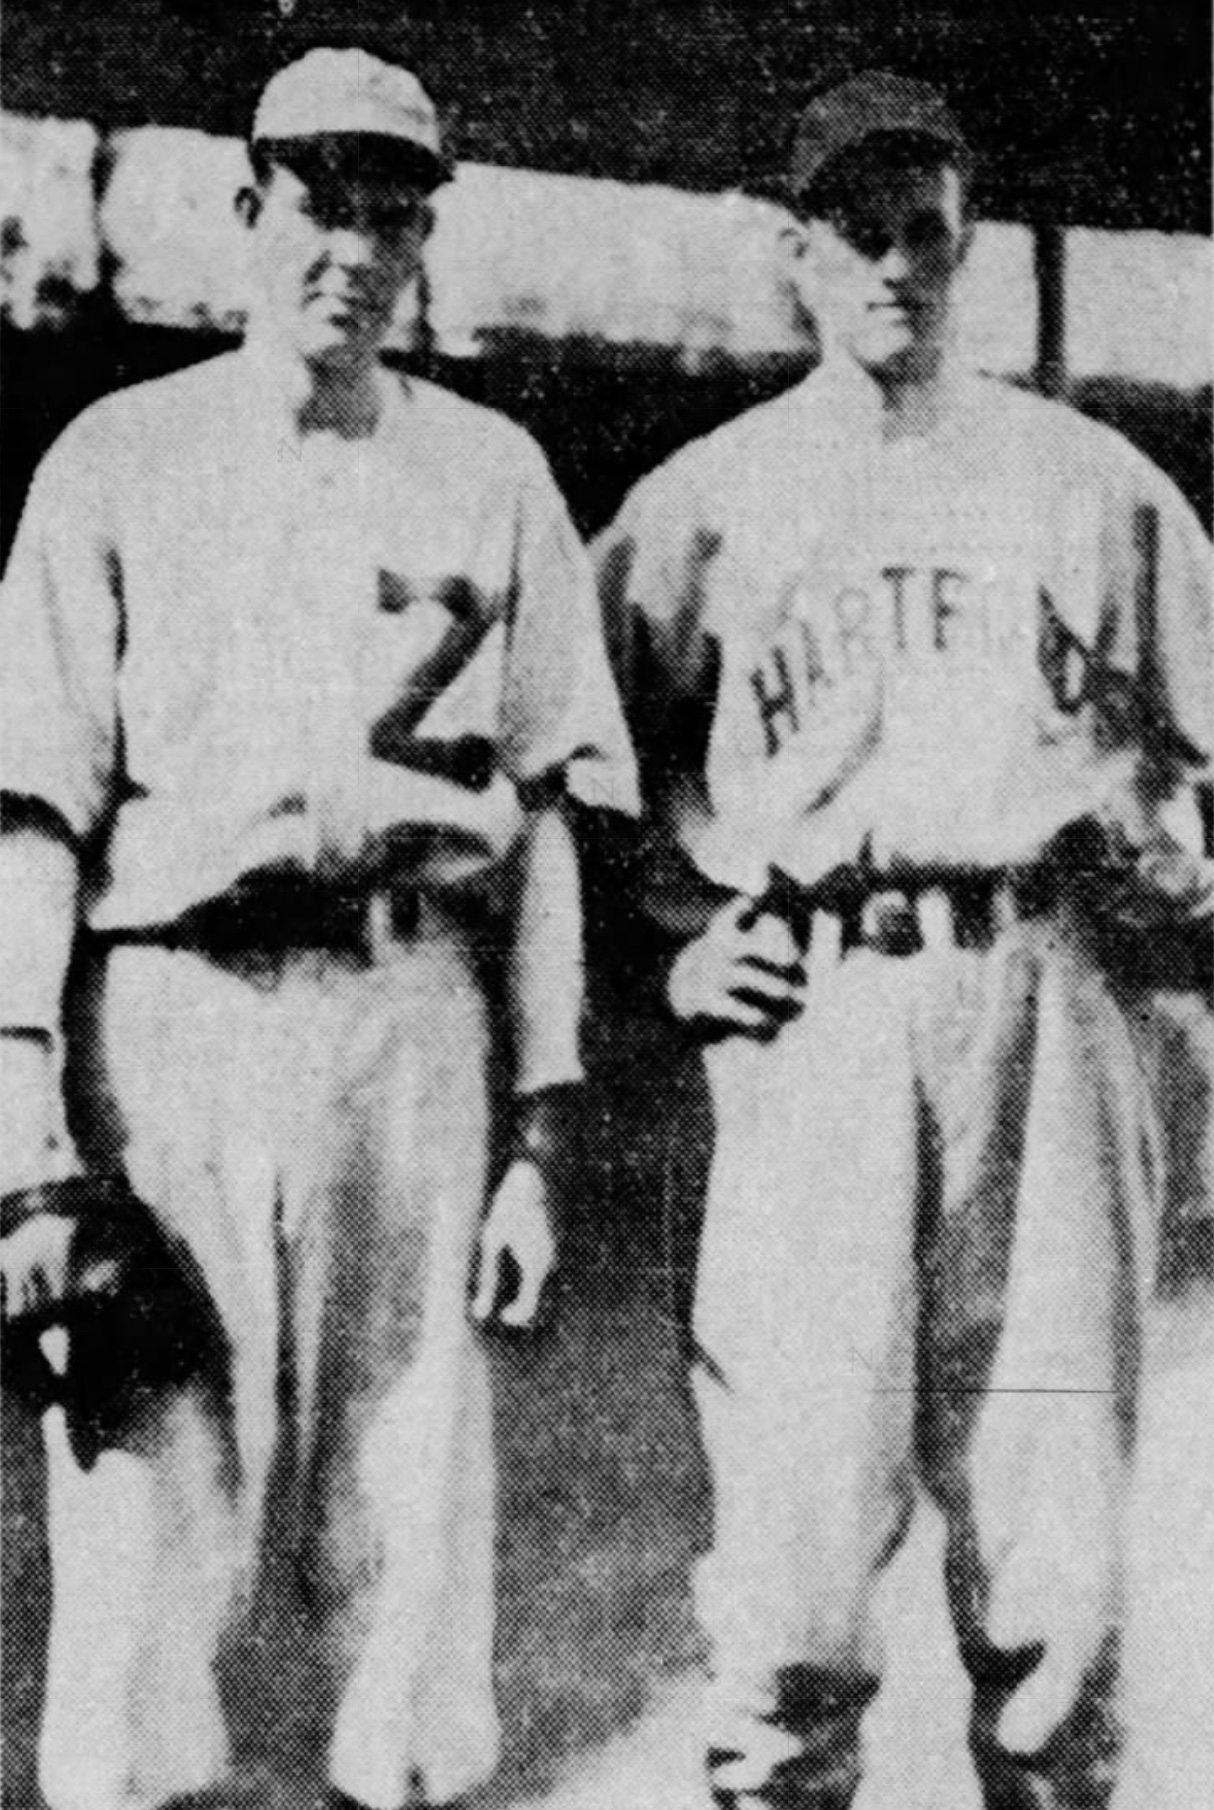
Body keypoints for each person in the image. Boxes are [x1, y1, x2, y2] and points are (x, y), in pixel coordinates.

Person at [0, 46, 636, 1810]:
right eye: (316, 202)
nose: (350, 246)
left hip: (405, 1015)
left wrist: (538, 1135)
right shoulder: (117, 458)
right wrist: (27, 1139)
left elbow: (552, 824)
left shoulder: (494, 472)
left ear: (426, 236)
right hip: (175, 1022)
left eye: (390, 210)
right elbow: (28, 814)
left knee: (411, 1535)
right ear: (245, 209)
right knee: (148, 1534)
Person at [595, 69, 1211, 1810]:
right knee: (789, 1581)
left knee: (1058, 1573)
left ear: (967, 244)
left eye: (919, 231)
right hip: (817, 1022)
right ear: (795, 254)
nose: (890, 266)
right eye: (851, 233)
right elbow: (561, 767)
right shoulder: (701, 501)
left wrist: (1171, 903)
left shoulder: (1094, 485)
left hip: (1042, 1001)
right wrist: (678, 939)